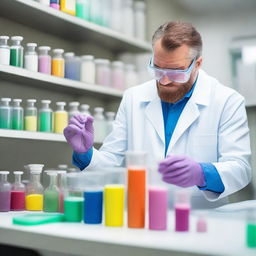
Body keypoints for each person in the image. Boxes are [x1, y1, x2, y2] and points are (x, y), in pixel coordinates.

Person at [64, 21, 251, 209]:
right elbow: (111, 163)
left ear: (197, 64)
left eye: (176, 72)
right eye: (158, 68)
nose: (164, 80)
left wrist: (202, 173)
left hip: (201, 218)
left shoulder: (227, 101)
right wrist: (85, 153)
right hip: (143, 215)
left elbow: (240, 169)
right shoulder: (133, 97)